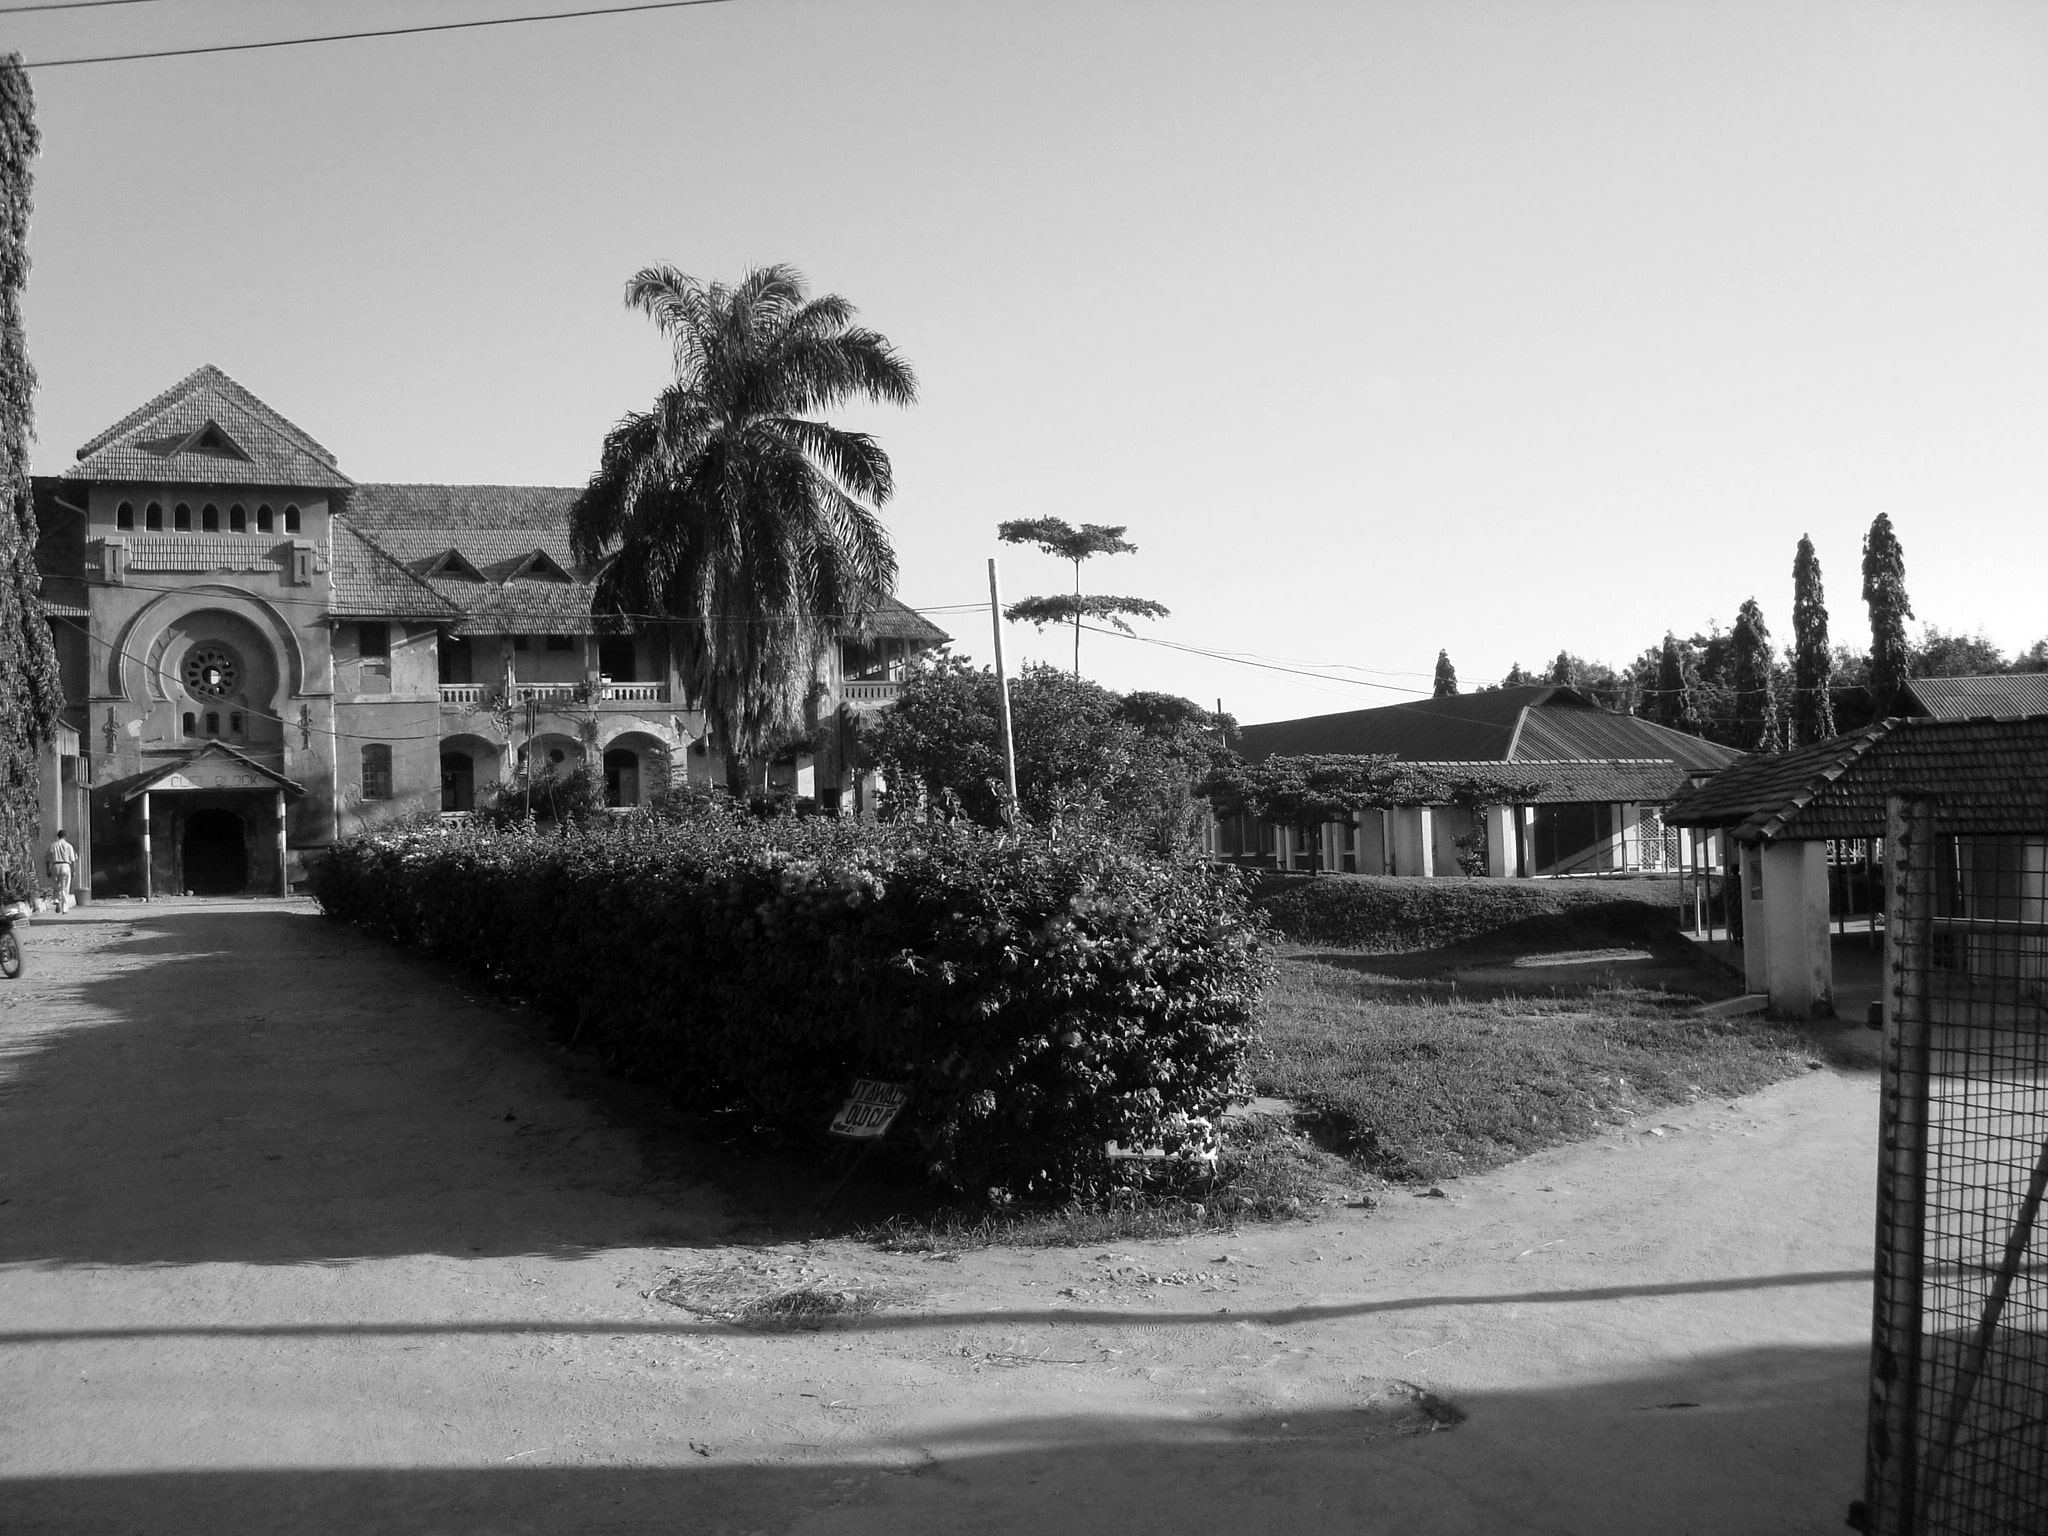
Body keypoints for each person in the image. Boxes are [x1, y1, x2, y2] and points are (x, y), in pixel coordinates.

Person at [46, 828, 78, 914]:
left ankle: (57, 900)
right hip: (65, 866)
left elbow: (48, 859)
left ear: (58, 836)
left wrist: (48, 869)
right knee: (65, 887)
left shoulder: (53, 845)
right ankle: (64, 908)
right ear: (65, 836)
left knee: (57, 886)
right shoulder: (68, 846)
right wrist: (73, 870)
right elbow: (73, 859)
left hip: (55, 865)